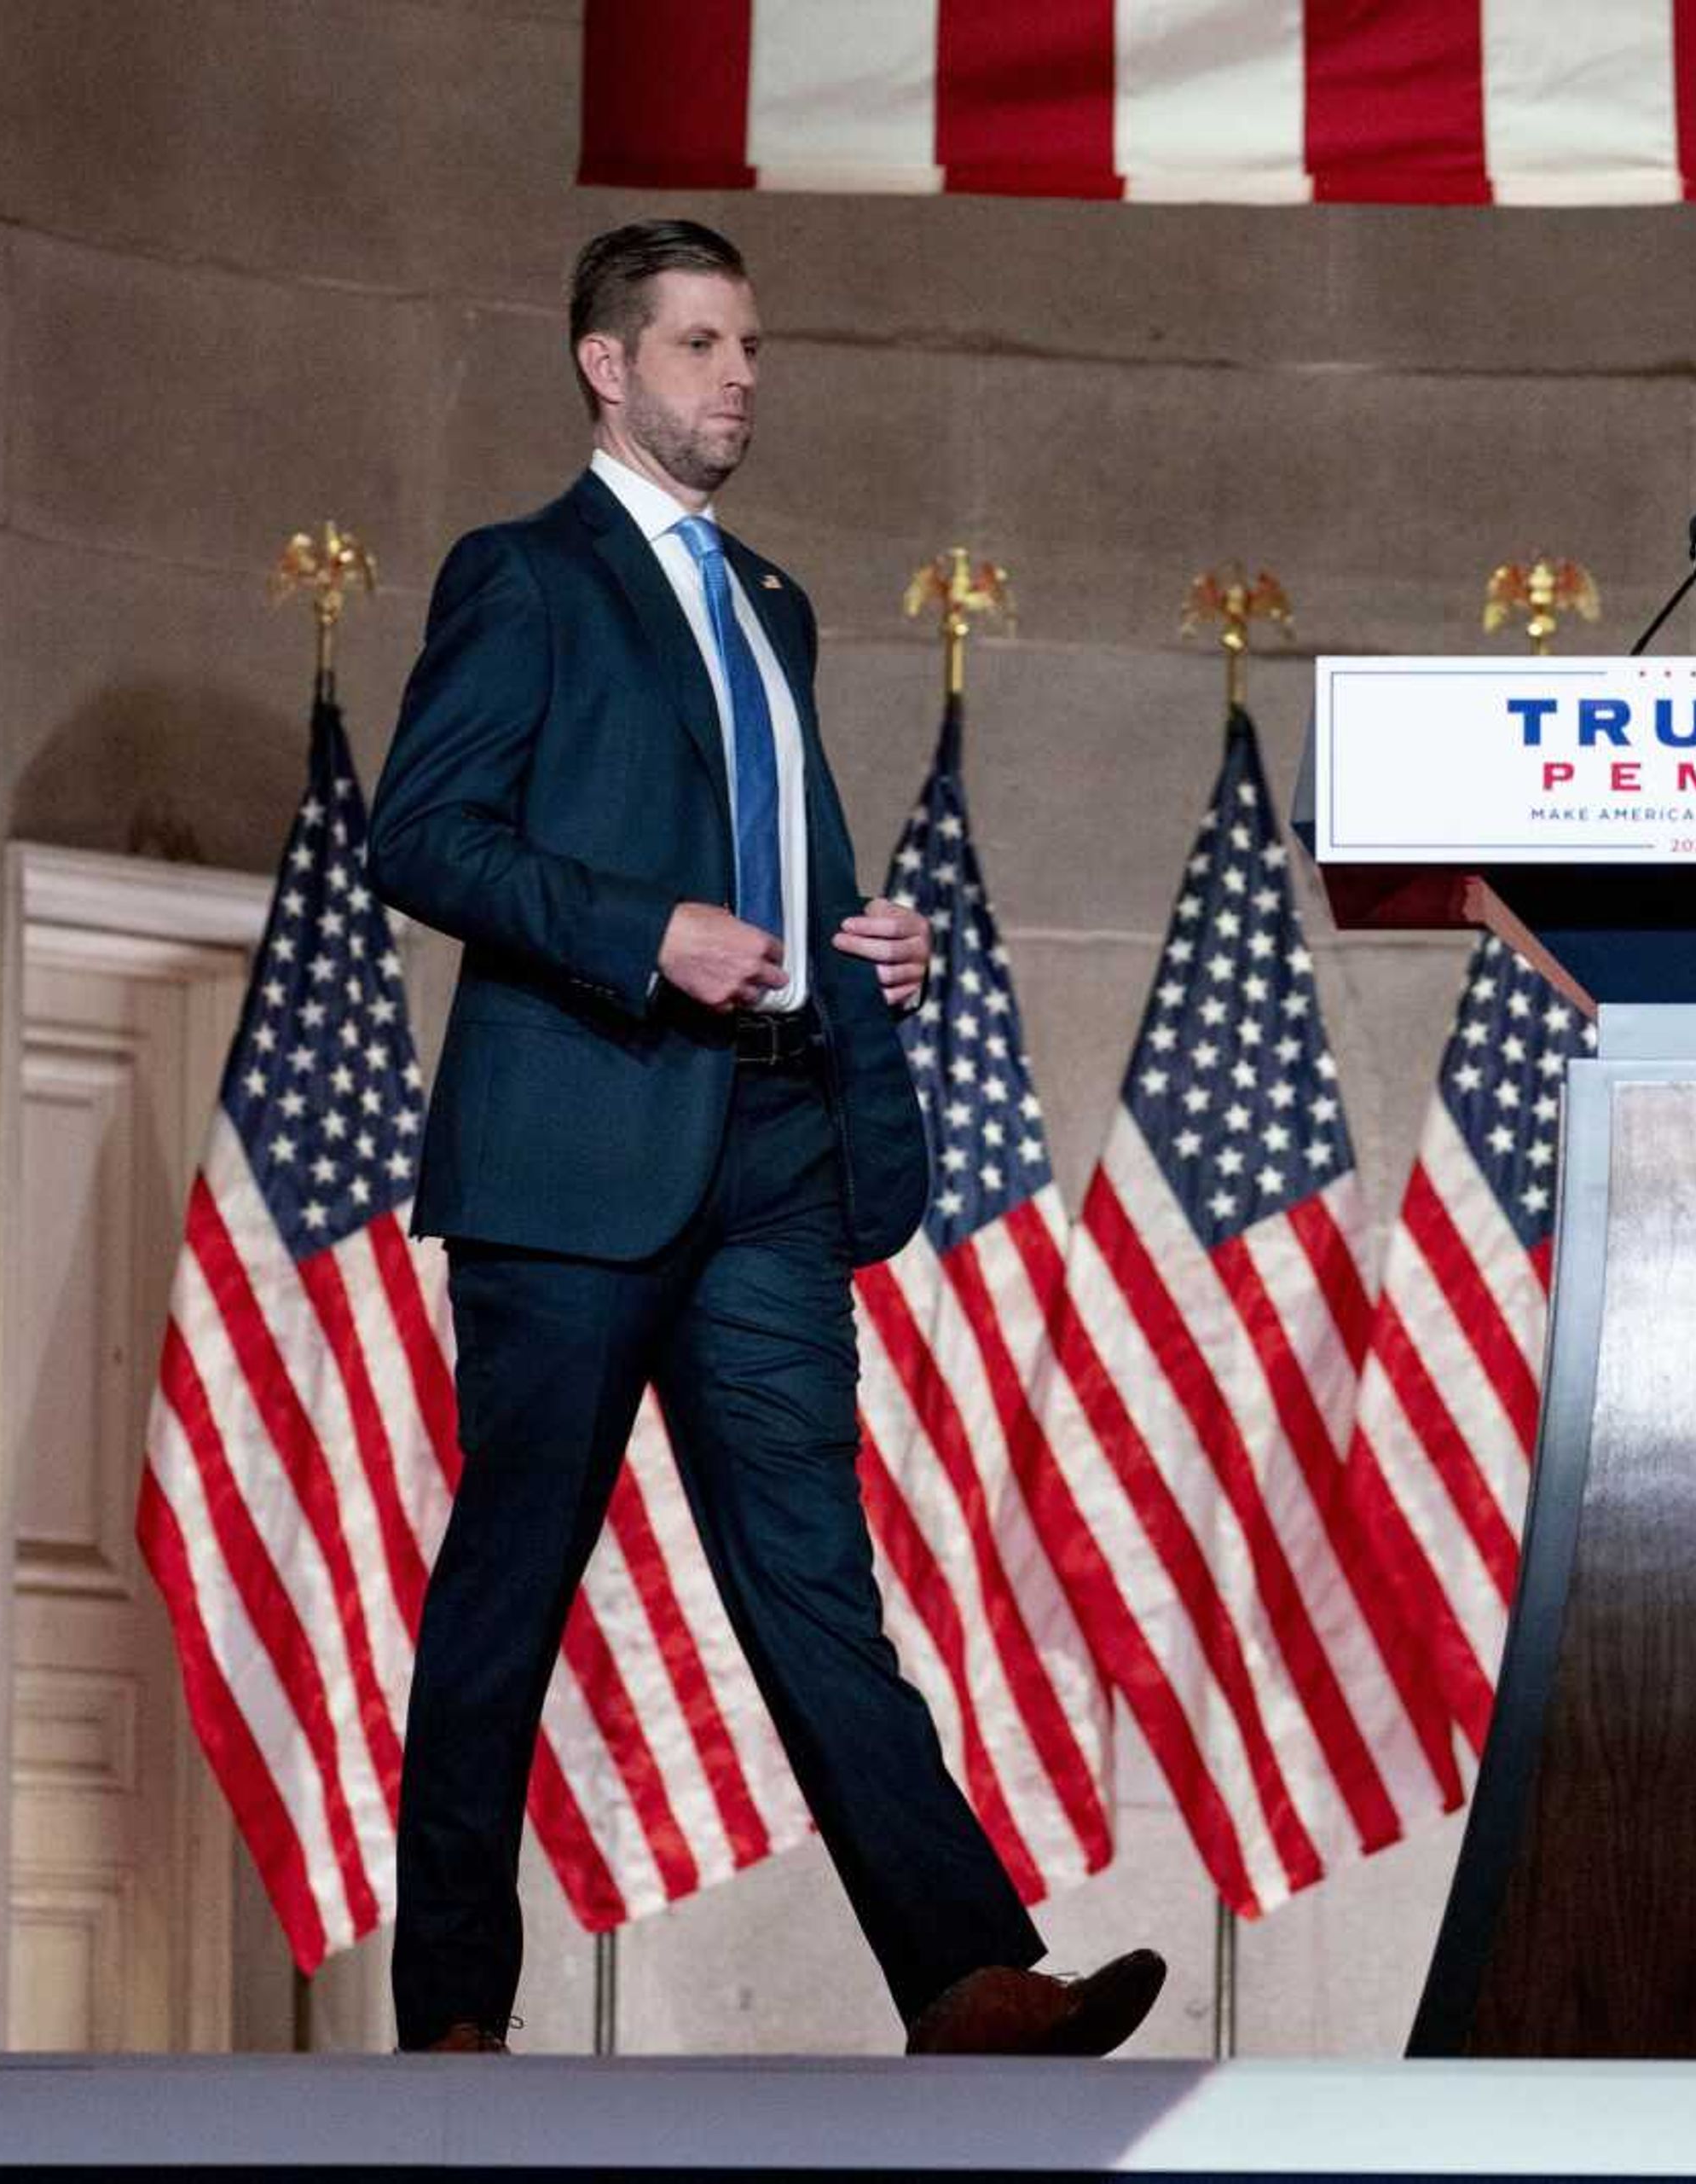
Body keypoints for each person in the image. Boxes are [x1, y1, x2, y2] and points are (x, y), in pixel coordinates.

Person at [367, 217, 1165, 2058]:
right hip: (573, 1163)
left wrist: (857, 940)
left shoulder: (772, 601)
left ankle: (972, 1978)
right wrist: (645, 929)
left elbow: (766, 861)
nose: (740, 376)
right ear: (607, 364)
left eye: (749, 346)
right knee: (509, 1590)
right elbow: (422, 835)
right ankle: (456, 2020)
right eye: (703, 343)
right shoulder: (526, 577)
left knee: (820, 1589)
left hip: (770, 1157)